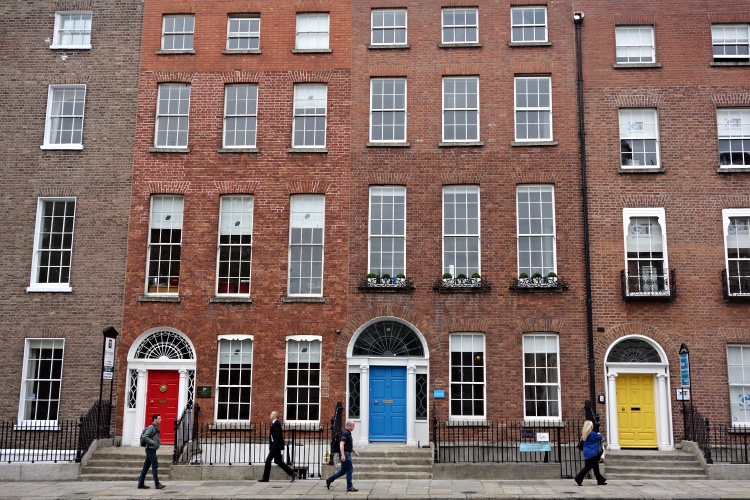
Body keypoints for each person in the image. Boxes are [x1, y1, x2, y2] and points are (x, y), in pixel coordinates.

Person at [258, 411, 297, 482]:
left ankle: (265, 478)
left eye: (271, 414)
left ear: (275, 416)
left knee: (268, 461)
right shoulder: (274, 423)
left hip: (275, 446)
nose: (270, 415)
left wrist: (274, 446)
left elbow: (279, 436)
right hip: (274, 446)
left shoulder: (276, 423)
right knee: (279, 462)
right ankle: (292, 473)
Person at [325, 420, 359, 492]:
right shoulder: (345, 433)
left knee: (343, 470)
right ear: (349, 425)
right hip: (345, 454)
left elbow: (348, 445)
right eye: (353, 425)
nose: (354, 427)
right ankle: (349, 487)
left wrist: (354, 451)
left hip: (346, 453)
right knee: (350, 470)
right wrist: (343, 455)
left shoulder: (348, 433)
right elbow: (341, 444)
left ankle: (329, 480)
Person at [138, 414, 166, 490]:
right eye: (159, 418)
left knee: (146, 467)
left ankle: (140, 483)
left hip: (152, 449)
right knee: (155, 465)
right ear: (154, 419)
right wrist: (153, 443)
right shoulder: (151, 427)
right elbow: (145, 436)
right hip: (150, 449)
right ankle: (157, 484)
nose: (161, 419)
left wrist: (157, 442)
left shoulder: (155, 427)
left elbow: (154, 436)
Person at [574, 420, 607, 486]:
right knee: (587, 468)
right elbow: (600, 437)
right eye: (592, 425)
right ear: (590, 426)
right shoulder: (592, 434)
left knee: (595, 468)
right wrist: (598, 433)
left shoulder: (585, 433)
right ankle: (578, 478)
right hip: (593, 453)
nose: (593, 426)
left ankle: (600, 480)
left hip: (587, 452)